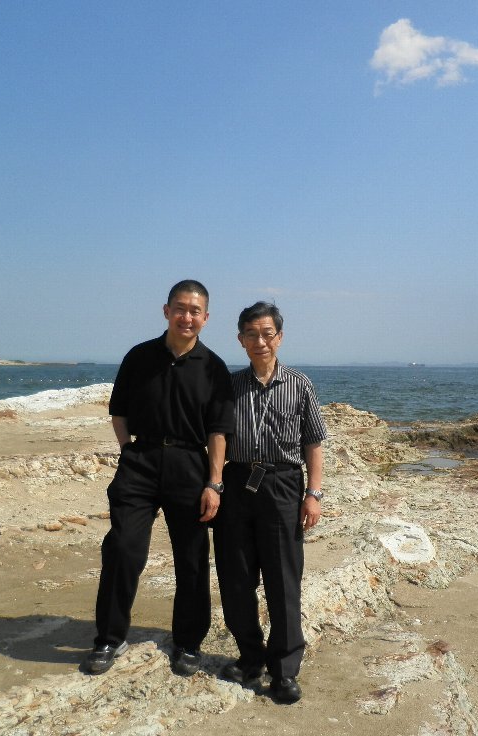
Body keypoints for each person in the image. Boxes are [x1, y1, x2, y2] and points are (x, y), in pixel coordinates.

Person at [83, 280, 234, 676]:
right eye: (180, 308)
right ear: (166, 311)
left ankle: (188, 642)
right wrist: (128, 452)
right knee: (123, 548)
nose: (187, 317)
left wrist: (214, 483)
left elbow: (218, 431)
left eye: (195, 311)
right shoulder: (139, 357)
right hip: (141, 461)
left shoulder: (214, 368)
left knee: (192, 557)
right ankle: (109, 638)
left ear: (206, 318)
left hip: (190, 465)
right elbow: (119, 412)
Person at [213, 301, 327, 703]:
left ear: (279, 337)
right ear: (240, 339)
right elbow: (217, 437)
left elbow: (313, 443)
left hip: (282, 484)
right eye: (251, 334)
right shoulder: (229, 385)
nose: (259, 341)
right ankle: (250, 658)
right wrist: (214, 484)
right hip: (238, 482)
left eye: (267, 334)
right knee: (236, 576)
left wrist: (313, 494)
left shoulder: (300, 384)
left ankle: (284, 669)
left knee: (283, 580)